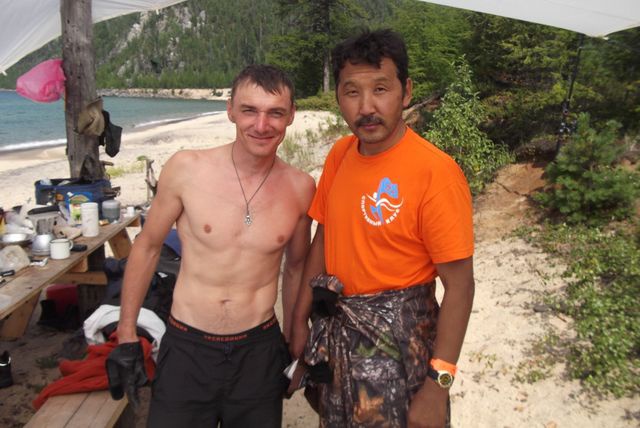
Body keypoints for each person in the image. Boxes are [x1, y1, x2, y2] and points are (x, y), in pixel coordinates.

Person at [106, 64, 316, 427]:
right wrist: (126, 334)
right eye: (249, 110)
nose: (261, 125)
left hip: (259, 350)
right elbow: (147, 247)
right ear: (230, 110)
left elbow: (296, 268)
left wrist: (293, 338)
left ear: (291, 115)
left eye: (275, 113)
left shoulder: (300, 187)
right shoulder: (187, 169)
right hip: (188, 347)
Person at [290, 29, 475, 427]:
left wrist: (438, 385)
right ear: (338, 97)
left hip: (401, 351)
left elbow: (460, 286)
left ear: (406, 92)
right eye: (351, 92)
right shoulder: (340, 154)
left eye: (380, 89)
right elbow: (324, 238)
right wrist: (299, 321)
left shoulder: (436, 173)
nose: (366, 107)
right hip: (340, 342)